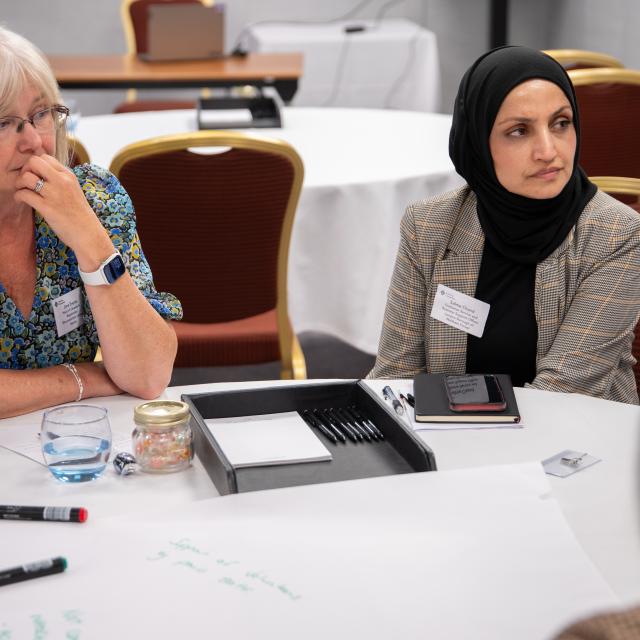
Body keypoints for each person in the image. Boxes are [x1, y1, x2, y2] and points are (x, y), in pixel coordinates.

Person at [369, 46, 640, 404]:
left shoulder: (617, 234)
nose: (548, 150)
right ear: (479, 143)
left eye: (561, 123)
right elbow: (395, 378)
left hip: (576, 448)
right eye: (519, 131)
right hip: (448, 443)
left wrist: (442, 408)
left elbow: (563, 395)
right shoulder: (431, 226)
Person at [0, 26, 182, 418]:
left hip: (71, 449)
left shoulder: (93, 197)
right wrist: (81, 378)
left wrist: (88, 238)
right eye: (3, 123)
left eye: (41, 114)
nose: (33, 141)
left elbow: (149, 374)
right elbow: (117, 380)